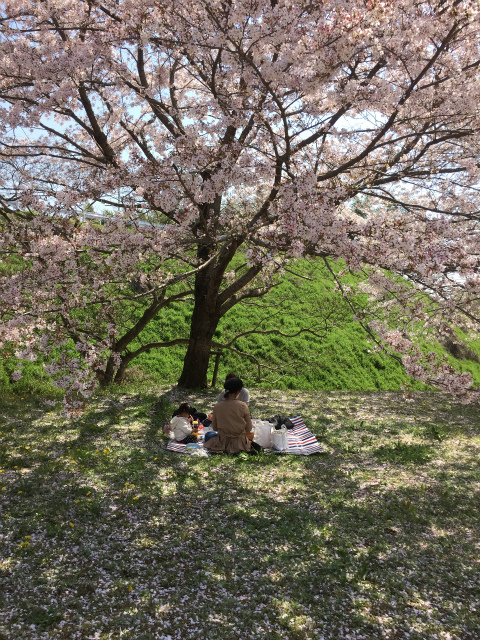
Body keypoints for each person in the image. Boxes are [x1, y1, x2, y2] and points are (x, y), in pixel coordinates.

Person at [205, 377, 257, 454]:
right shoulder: (243, 406)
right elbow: (249, 428)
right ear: (238, 391)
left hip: (222, 443)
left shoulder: (217, 406)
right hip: (240, 444)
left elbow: (215, 427)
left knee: (209, 435)